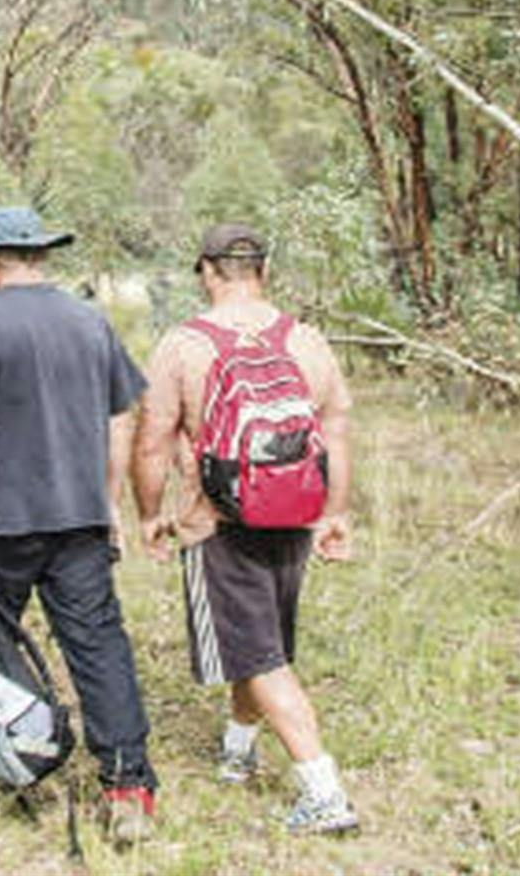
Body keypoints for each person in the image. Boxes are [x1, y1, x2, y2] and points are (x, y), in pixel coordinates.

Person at [0, 206, 160, 845]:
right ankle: (127, 787)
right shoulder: (91, 323)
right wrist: (107, 500)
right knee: (98, 646)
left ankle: (11, 760)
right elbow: (121, 420)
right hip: (80, 518)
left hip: (1, 522)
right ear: (40, 257)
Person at [133, 222, 359, 836]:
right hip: (294, 517)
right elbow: (334, 431)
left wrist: (151, 515)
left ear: (207, 272)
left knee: (258, 655)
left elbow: (152, 440)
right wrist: (334, 515)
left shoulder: (184, 345)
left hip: (218, 522)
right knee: (262, 643)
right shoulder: (307, 341)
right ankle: (238, 750)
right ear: (264, 271)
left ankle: (324, 791)